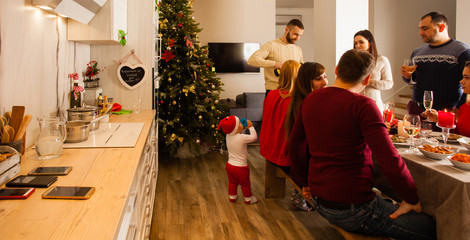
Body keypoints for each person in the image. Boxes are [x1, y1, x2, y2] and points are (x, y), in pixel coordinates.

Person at [288, 49, 436, 239]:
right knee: (432, 227)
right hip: (352, 208)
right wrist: (411, 198)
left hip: (318, 199)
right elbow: (389, 159)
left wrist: (304, 182)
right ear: (367, 80)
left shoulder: (311, 99)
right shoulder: (363, 105)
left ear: (336, 70)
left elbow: (294, 146)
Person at [401, 12, 470, 116]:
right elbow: (412, 80)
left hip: (445, 112)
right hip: (417, 110)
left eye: (425, 29)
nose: (420, 33)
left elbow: (468, 83)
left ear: (441, 27)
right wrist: (407, 76)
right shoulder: (417, 52)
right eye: (419, 29)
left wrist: (460, 108)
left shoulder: (462, 51)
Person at [283, 62, 328, 210]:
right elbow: (297, 146)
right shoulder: (306, 104)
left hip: (305, 163)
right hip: (307, 165)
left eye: (325, 77)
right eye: (318, 78)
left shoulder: (305, 100)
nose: (325, 82)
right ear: (305, 82)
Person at [247, 19, 304, 94]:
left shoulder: (298, 50)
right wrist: (276, 64)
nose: (297, 38)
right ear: (287, 29)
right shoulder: (271, 45)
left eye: (300, 35)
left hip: (293, 92)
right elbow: (252, 60)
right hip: (274, 91)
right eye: (295, 34)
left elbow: (301, 70)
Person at [422, 61, 470, 137]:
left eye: (466, 78)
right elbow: (459, 132)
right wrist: (439, 118)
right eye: (463, 77)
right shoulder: (465, 107)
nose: (461, 81)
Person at [218, 116, 258, 204]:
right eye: (239, 123)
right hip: (241, 167)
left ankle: (232, 196)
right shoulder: (242, 138)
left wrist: (242, 127)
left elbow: (236, 131)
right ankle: (248, 198)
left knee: (232, 182)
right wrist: (251, 127)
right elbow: (254, 137)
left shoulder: (228, 135)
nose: (241, 124)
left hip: (230, 165)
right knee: (245, 184)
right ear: (236, 128)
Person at [354, 30, 393, 113]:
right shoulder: (353, 61)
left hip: (374, 103)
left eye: (361, 42)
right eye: (355, 43)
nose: (357, 45)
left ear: (370, 42)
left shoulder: (381, 60)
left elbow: (389, 83)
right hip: (356, 102)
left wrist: (370, 82)